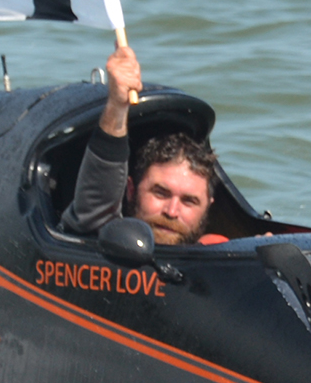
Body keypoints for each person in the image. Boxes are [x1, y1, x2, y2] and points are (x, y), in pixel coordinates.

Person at [60, 45, 228, 246]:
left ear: (208, 207)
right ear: (131, 191)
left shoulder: (218, 250)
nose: (172, 212)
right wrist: (117, 106)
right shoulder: (102, 239)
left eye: (189, 201)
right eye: (160, 193)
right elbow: (97, 208)